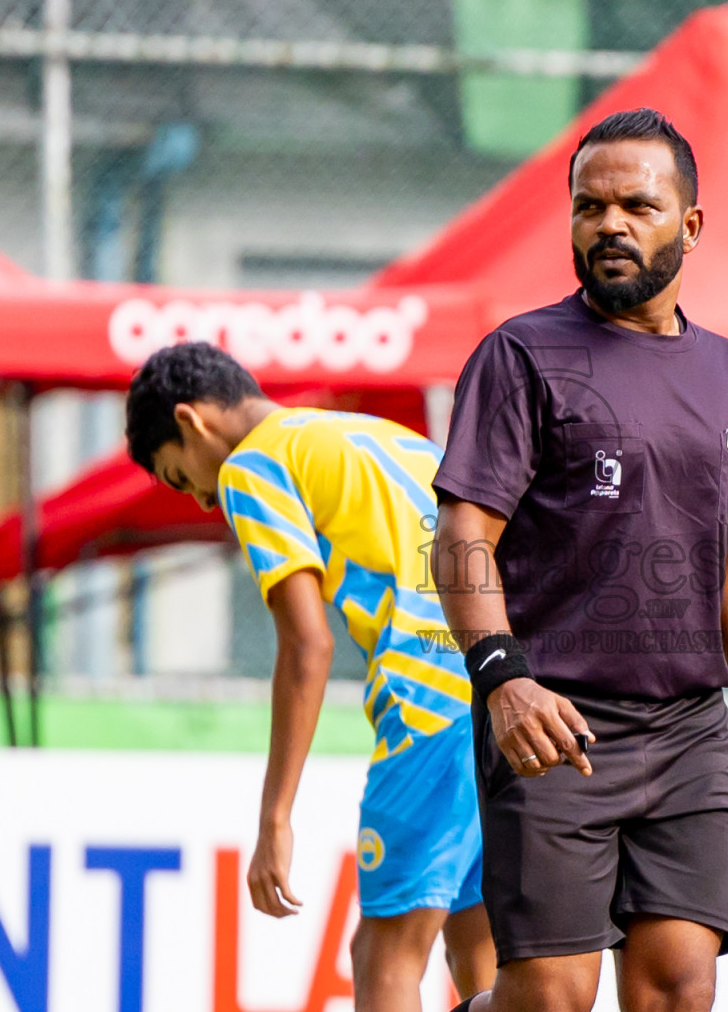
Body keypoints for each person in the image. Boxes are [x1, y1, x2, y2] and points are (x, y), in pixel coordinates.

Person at [430, 108, 728, 1012]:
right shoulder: (522, 354)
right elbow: (461, 537)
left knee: (678, 993)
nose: (609, 224)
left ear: (688, 226)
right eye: (588, 206)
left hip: (690, 733)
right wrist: (504, 680)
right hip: (555, 724)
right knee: (548, 1000)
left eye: (637, 207)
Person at [125, 342, 495, 1012]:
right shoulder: (371, 434)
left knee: (382, 955)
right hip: (510, 689)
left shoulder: (252, 467)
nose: (205, 500)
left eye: (181, 478)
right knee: (478, 948)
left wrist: (275, 817)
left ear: (191, 422)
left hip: (429, 703)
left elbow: (307, 644)